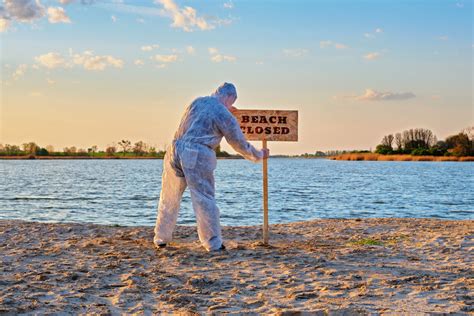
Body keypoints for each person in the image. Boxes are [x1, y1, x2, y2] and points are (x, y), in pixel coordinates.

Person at [154, 82, 269, 252]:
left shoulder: (197, 102)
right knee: (204, 199)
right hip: (196, 153)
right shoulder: (223, 113)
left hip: (174, 149)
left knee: (169, 196)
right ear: (230, 98)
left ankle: (161, 237)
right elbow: (238, 142)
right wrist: (258, 155)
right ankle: (212, 242)